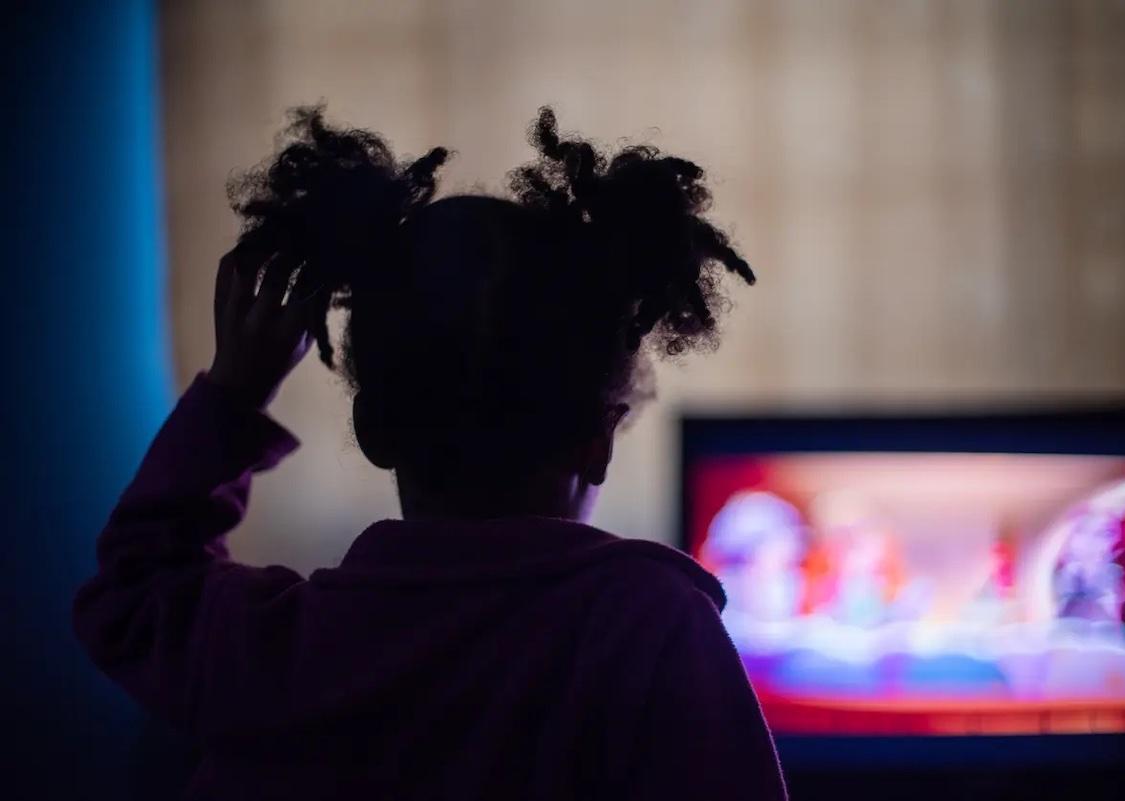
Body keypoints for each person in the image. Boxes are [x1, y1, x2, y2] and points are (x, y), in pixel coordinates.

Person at [73, 106, 787, 800]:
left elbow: (135, 588)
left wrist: (234, 393)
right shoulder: (650, 629)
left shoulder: (273, 646)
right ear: (598, 442)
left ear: (374, 427)